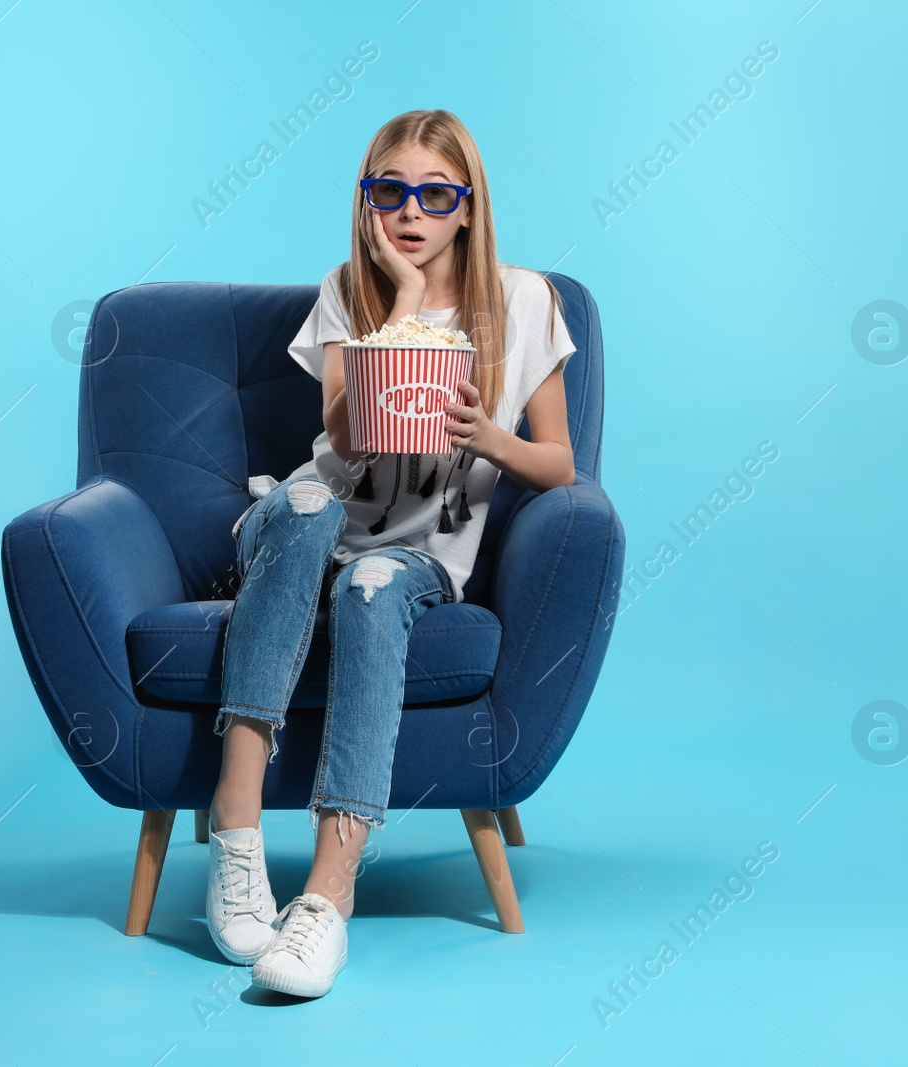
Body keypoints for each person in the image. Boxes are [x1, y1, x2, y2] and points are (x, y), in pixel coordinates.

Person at [206, 109, 580, 999]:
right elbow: (340, 433)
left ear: (467, 205)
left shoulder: (525, 302)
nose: (410, 213)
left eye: (434, 194)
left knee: (374, 582)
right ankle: (237, 831)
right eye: (390, 192)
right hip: (309, 523)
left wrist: (489, 436)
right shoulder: (348, 289)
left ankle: (326, 902)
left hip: (412, 559)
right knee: (303, 504)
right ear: (367, 202)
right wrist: (404, 305)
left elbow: (560, 465)